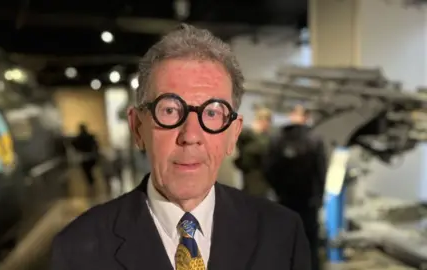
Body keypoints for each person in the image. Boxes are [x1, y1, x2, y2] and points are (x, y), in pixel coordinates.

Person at [51, 24, 311, 270]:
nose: (190, 135)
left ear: (233, 133)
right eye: (170, 110)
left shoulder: (282, 234)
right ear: (137, 127)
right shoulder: (78, 249)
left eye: (212, 112)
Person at [263, 105, 327, 270]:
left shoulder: (278, 138)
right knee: (308, 243)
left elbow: (269, 169)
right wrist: (318, 197)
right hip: (307, 201)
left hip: (284, 199)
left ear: (291, 116)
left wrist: (278, 190)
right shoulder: (316, 139)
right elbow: (321, 172)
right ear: (307, 117)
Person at [235, 107, 273, 198]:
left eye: (267, 120)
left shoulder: (267, 138)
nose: (266, 123)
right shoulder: (248, 135)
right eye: (262, 119)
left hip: (262, 178)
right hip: (250, 175)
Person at [71, 123, 100, 191]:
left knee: (86, 171)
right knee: (91, 170)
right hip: (91, 156)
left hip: (83, 156)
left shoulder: (77, 138)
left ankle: (90, 183)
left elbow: (74, 146)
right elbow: (96, 146)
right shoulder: (91, 136)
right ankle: (92, 182)